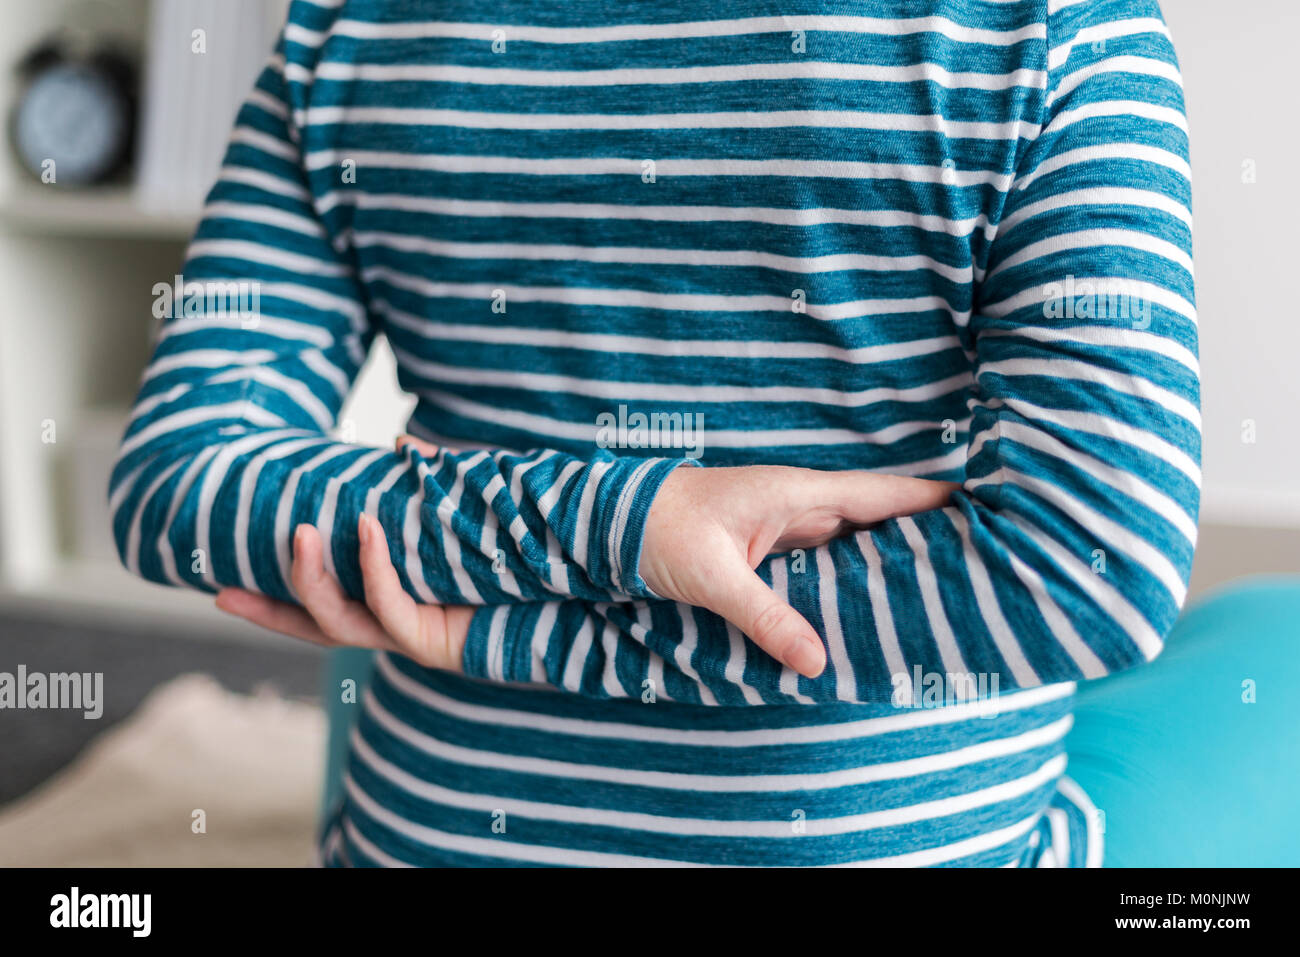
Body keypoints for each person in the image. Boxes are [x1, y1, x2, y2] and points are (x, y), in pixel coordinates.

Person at [111, 0, 1198, 866]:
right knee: (1271, 648)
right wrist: (638, 524)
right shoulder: (1048, 24)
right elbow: (1092, 571)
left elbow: (181, 486)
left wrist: (503, 617)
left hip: (428, 830)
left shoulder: (347, 29)